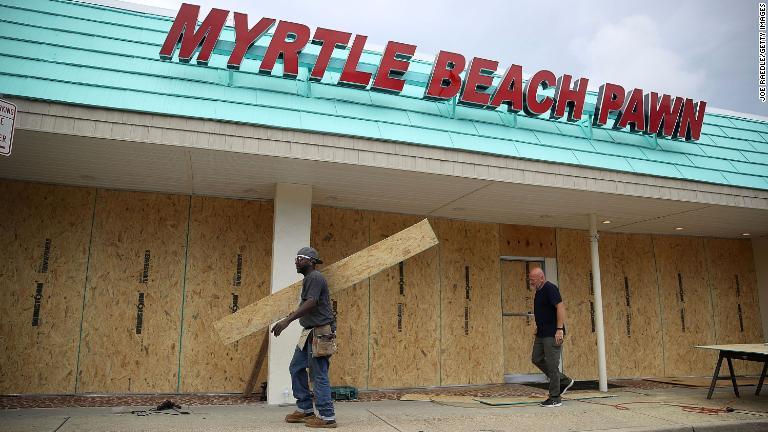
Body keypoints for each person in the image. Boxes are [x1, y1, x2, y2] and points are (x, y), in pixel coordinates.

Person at [271, 246, 337, 428]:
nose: (296, 261)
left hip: (320, 332)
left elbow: (312, 302)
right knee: (296, 367)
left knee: (318, 373)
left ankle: (327, 416)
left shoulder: (315, 277)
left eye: (300, 258)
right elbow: (310, 305)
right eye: (296, 258)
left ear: (311, 261)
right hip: (309, 332)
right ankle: (305, 409)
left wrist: (287, 321)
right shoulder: (309, 279)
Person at [529, 267, 574, 407]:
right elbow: (544, 311)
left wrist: (559, 329)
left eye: (532, 279)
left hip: (552, 333)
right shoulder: (538, 291)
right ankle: (564, 380)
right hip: (542, 333)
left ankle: (555, 397)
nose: (530, 281)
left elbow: (560, 307)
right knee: (536, 358)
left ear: (541, 277)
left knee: (552, 364)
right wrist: (538, 326)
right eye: (529, 279)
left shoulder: (550, 288)